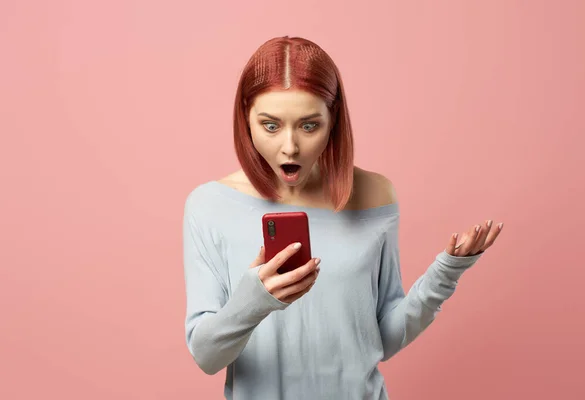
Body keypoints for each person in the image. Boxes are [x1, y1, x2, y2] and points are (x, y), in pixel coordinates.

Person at [182, 36, 503, 400]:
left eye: (308, 125)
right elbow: (207, 356)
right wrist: (255, 299)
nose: (290, 146)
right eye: (271, 125)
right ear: (246, 119)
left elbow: (383, 338)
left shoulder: (375, 194)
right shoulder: (210, 206)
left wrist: (445, 274)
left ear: (333, 120)